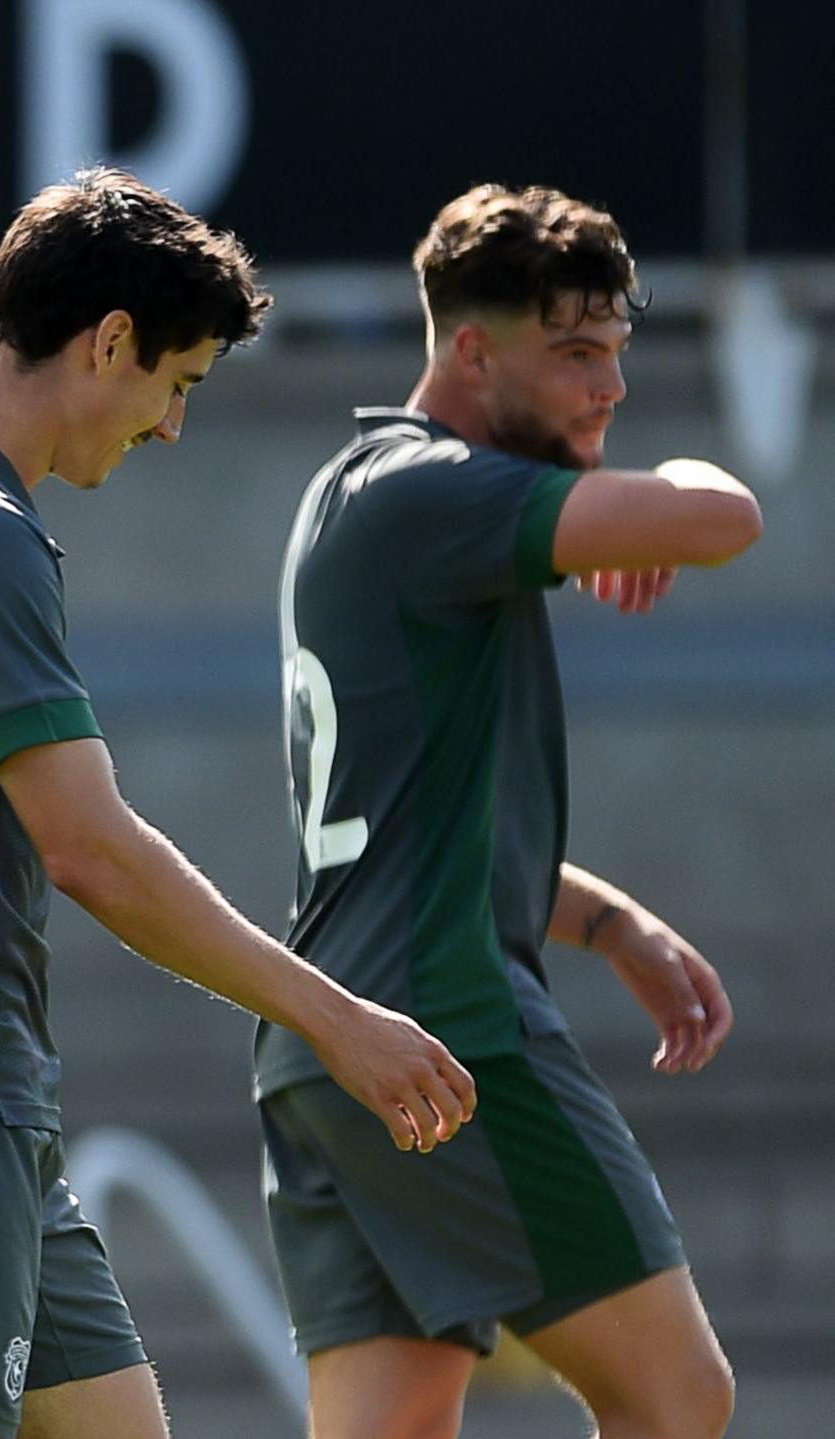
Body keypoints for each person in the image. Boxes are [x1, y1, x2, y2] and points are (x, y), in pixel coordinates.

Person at [0, 168, 477, 1439]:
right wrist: (333, 1018)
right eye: (176, 383)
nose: (173, 426)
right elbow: (90, 848)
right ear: (110, 342)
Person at [262, 183, 756, 1439]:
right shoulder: (434, 491)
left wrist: (611, 921)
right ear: (471, 351)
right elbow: (723, 518)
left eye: (618, 354)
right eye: (576, 354)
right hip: (449, 1028)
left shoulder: (352, 490)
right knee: (677, 1394)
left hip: (328, 1041)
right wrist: (672, 480)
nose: (609, 388)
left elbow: (419, 824)